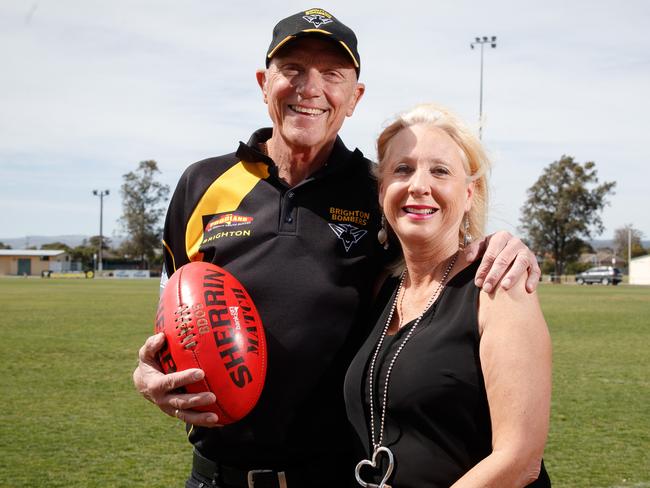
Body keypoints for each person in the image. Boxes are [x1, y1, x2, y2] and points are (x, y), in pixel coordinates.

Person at [133, 9, 542, 488]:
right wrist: (149, 375)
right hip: (214, 477)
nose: (310, 88)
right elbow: (174, 319)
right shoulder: (200, 183)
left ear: (354, 97)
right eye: (293, 70)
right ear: (265, 82)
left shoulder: (377, 189)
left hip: (332, 476)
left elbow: (438, 242)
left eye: (332, 74)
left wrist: (506, 244)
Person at [344, 103, 552, 487]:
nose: (419, 185)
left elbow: (520, 459)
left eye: (440, 171)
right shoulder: (382, 289)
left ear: (469, 193)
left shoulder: (498, 287)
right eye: (402, 169)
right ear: (381, 189)